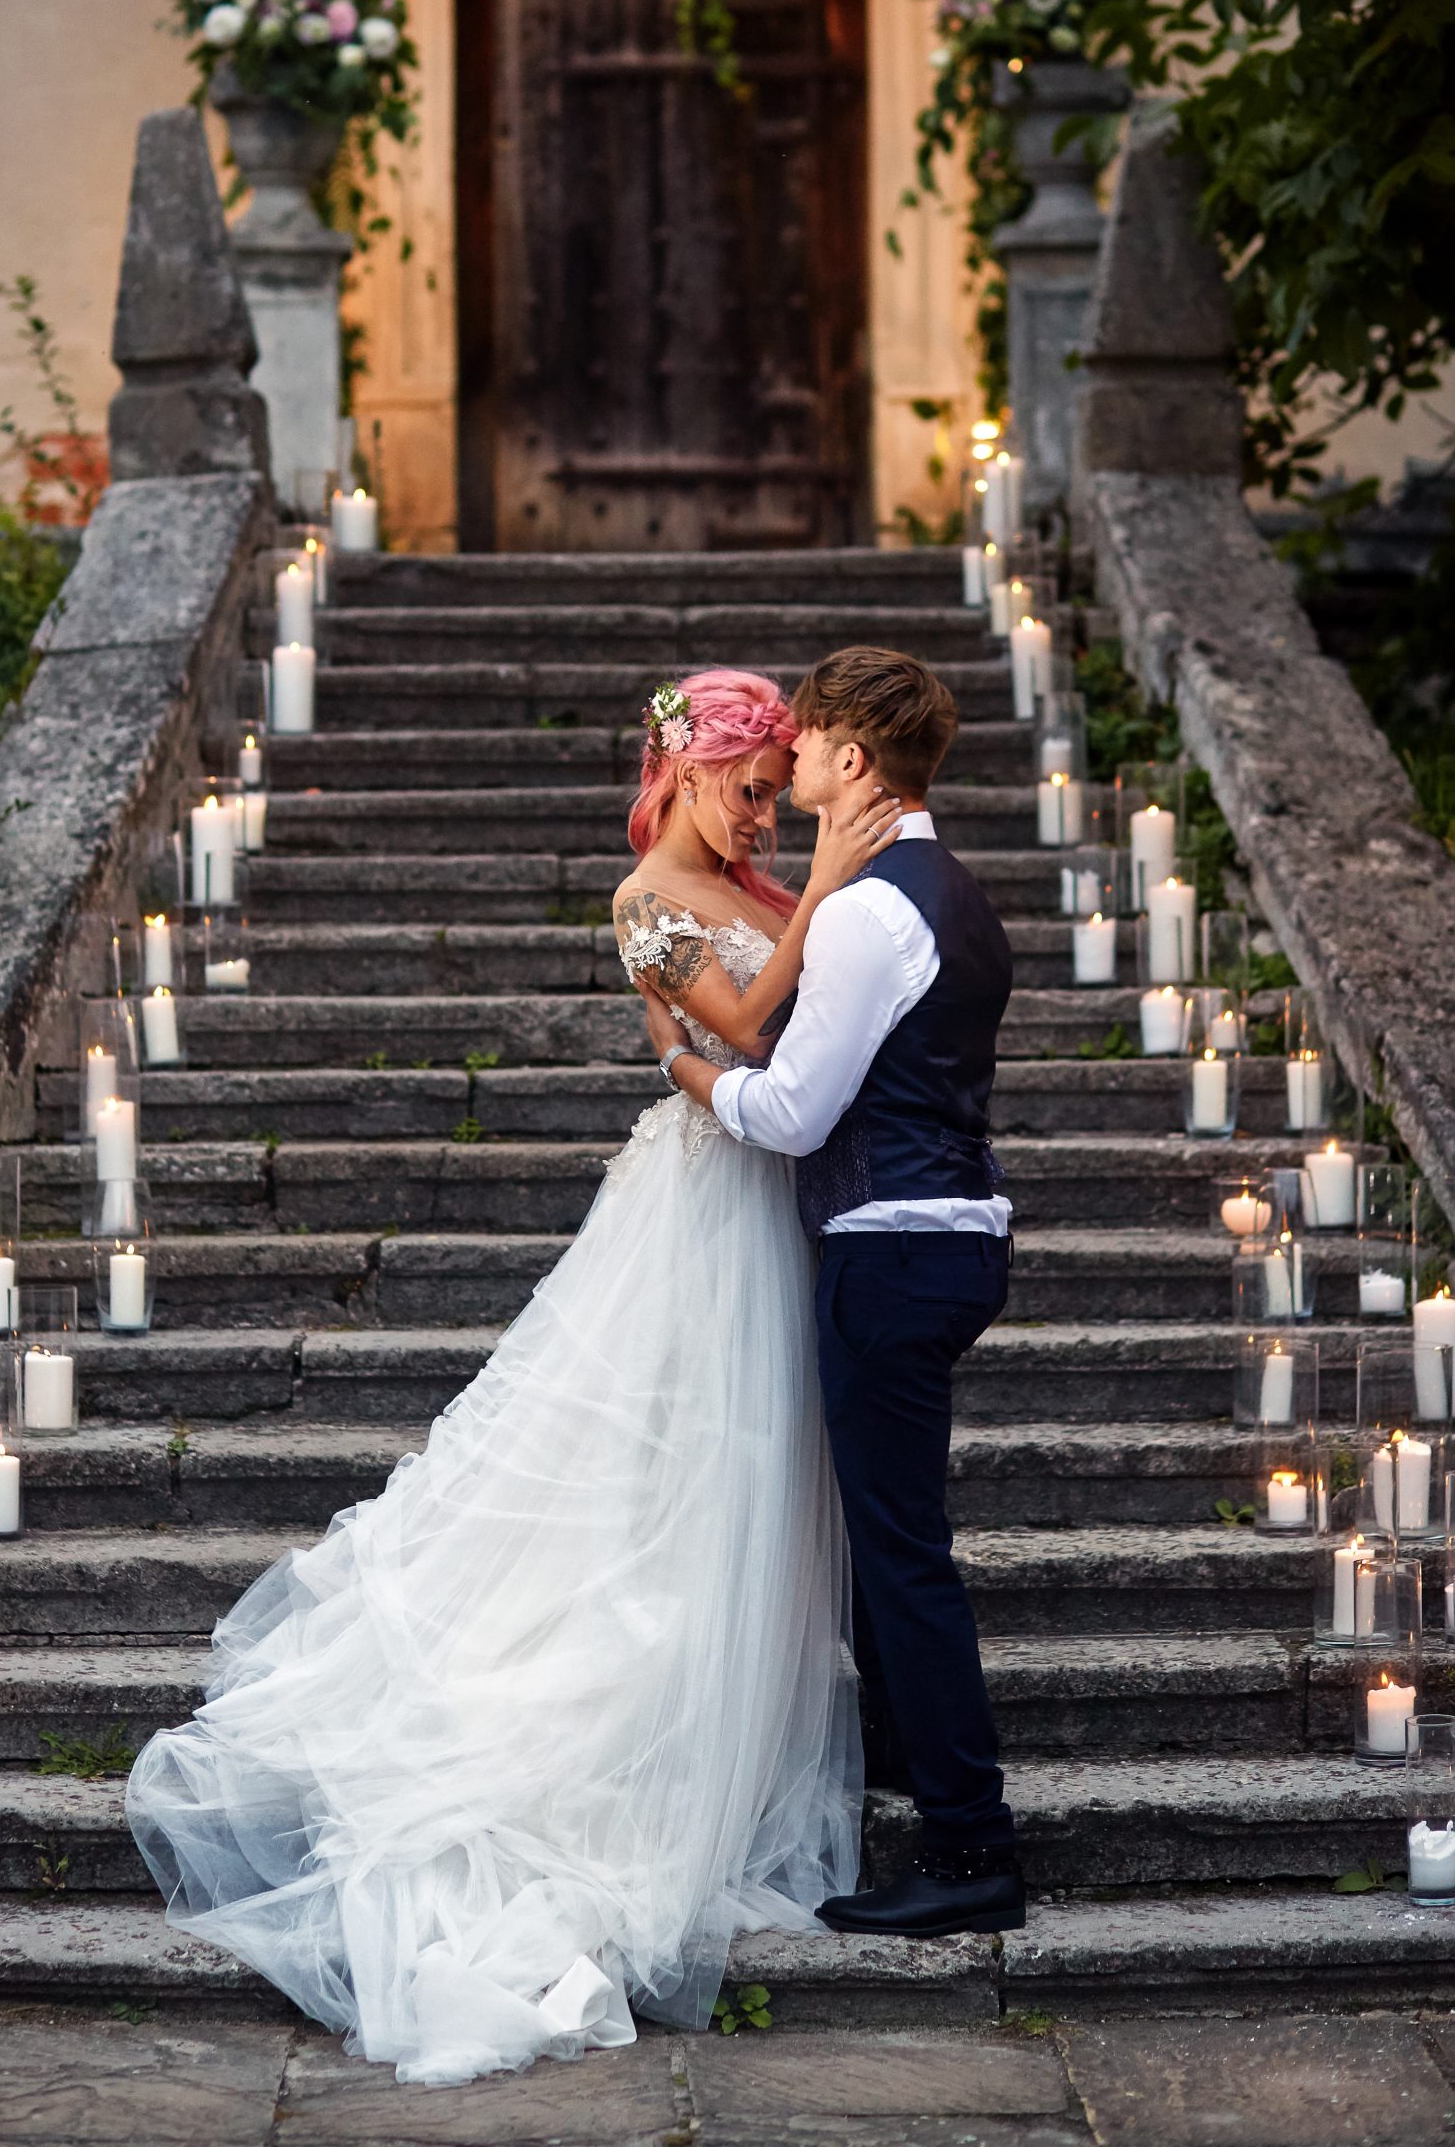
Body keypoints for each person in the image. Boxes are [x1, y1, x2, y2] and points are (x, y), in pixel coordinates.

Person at [126, 668, 899, 2087]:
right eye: (744, 784)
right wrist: (832, 891)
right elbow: (733, 1028)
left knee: (750, 1468)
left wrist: (833, 894)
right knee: (670, 1468)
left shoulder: (778, 890)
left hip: (775, 1194)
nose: (762, 811)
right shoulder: (643, 900)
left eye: (772, 789)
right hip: (703, 1207)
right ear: (684, 773)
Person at [640, 646, 1024, 1938]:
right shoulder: (958, 891)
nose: (790, 760)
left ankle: (973, 1850)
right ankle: (907, 1756)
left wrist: (687, 1080)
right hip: (954, 1232)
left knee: (903, 1557)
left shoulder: (863, 909)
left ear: (851, 763)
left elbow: (796, 1110)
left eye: (806, 746)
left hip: (892, 1245)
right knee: (883, 1545)